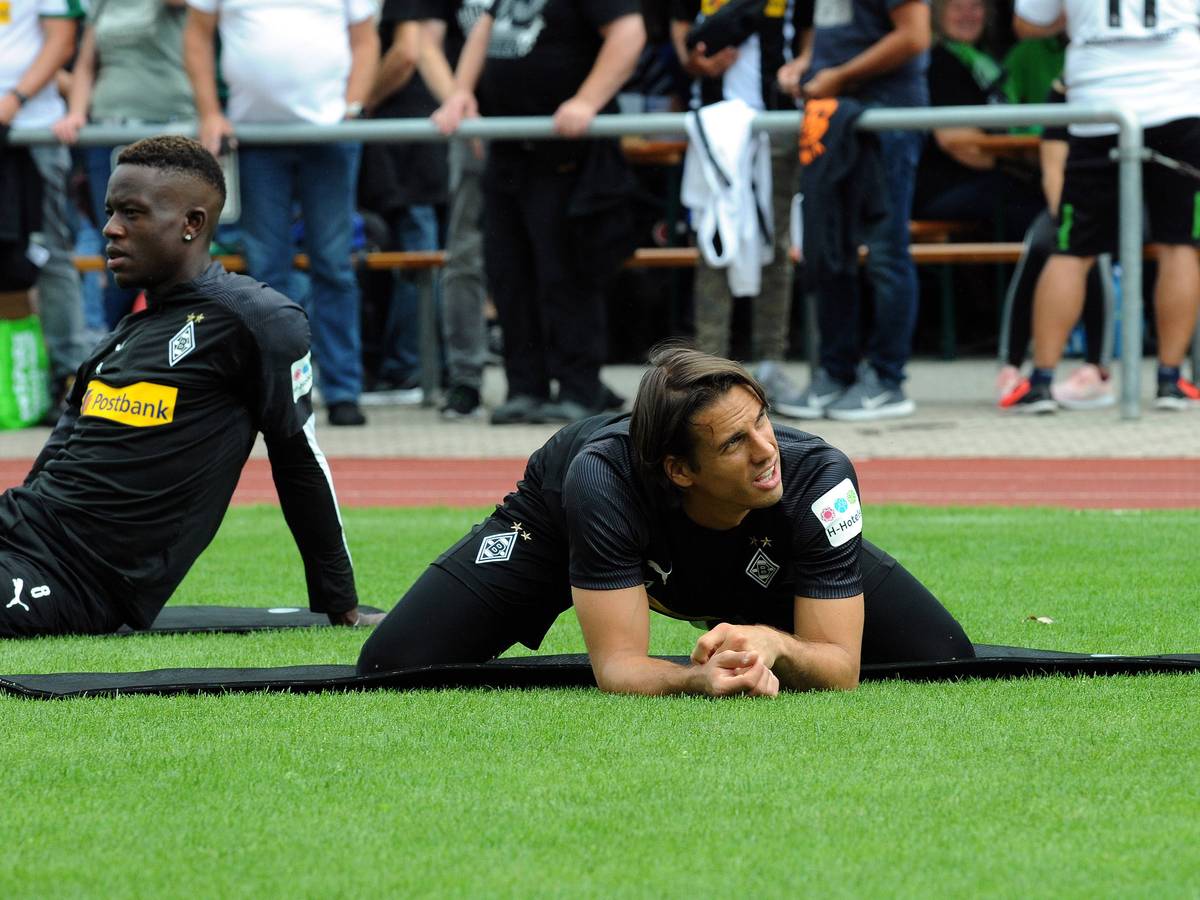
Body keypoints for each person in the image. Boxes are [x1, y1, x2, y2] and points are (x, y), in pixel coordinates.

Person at [358, 345, 974, 695]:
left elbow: (840, 668)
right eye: (735, 443)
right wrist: (696, 680)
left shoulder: (817, 480)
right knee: (395, 662)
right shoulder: (601, 481)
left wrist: (775, 645)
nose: (767, 452)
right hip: (560, 527)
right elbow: (618, 668)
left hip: (762, 550)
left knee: (943, 652)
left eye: (763, 421)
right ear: (680, 470)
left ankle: (760, 605)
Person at [0, 136, 380, 638]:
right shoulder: (120, 338)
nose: (111, 229)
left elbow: (297, 456)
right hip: (19, 537)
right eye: (111, 211)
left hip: (77, 579)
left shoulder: (257, 318)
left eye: (132, 214)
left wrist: (341, 603)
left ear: (192, 223)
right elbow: (52, 465)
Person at [432, 0, 646, 426]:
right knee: (509, 275)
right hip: (509, 148)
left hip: (568, 154)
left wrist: (587, 100)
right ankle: (524, 388)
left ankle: (578, 390)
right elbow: (484, 28)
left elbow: (629, 33)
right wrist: (461, 92)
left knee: (566, 274)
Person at [183, 0, 380, 427]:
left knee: (333, 266)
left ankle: (343, 390)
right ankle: (276, 388)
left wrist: (352, 108)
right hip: (255, 137)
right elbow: (196, 34)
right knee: (266, 272)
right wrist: (210, 112)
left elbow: (365, 42)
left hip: (330, 133)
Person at [1010, 0, 1200, 412]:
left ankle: (1041, 382)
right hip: (1180, 99)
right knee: (1180, 244)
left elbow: (1027, 24)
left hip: (1099, 104)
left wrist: (1079, 17)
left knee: (1072, 249)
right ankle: (1170, 381)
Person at [775, 0, 931, 421]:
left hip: (886, 116)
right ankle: (836, 372)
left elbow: (915, 35)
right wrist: (804, 65)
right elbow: (833, 40)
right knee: (828, 244)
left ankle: (886, 379)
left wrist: (839, 77)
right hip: (832, 115)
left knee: (885, 251)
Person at [669, 0, 808, 415]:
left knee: (777, 246)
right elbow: (680, 39)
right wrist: (695, 63)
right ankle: (707, 373)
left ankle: (771, 363)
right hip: (714, 124)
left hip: (778, 122)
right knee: (714, 243)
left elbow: (809, 44)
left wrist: (798, 68)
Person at [53, 0, 196, 330]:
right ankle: (115, 344)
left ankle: (184, 336)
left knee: (173, 239)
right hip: (109, 131)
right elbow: (86, 65)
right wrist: (77, 113)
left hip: (172, 124)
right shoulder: (102, 4)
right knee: (118, 242)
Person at [997, 78, 1113, 410]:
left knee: (1095, 245)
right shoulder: (1069, 86)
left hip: (1143, 203)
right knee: (1046, 241)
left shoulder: (1169, 78)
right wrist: (1066, 215)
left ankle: (1097, 369)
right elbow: (1053, 168)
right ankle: (1013, 366)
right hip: (1079, 198)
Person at [1, 0, 90, 417]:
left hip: (33, 128)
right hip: (24, 124)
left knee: (50, 252)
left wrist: (14, 99)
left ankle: (69, 374)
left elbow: (61, 39)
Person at [357, 3, 448, 406]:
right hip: (421, 135)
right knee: (422, 256)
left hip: (406, 139)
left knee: (415, 258)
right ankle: (422, 366)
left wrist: (360, 102)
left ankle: (408, 367)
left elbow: (409, 51)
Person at [411, 0, 493, 420]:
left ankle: (566, 375)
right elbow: (425, 45)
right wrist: (461, 100)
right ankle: (467, 379)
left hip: (548, 118)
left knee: (553, 252)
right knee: (465, 256)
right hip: (470, 125)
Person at [912, 0, 1042, 240]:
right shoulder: (937, 62)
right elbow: (961, 146)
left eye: (975, 6)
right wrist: (1016, 157)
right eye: (957, 7)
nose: (967, 15)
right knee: (1034, 210)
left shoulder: (985, 63)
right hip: (944, 186)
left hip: (983, 183)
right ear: (937, 15)